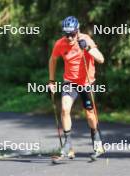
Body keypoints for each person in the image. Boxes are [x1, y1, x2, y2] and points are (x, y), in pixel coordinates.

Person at [48, 16, 105, 159]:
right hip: (70, 82)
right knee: (65, 109)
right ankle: (68, 145)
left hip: (87, 82)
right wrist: (52, 81)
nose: (69, 37)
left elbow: (101, 59)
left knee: (90, 114)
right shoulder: (60, 44)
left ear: (77, 31)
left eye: (72, 34)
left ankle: (97, 143)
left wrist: (88, 47)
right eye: (66, 34)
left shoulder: (86, 39)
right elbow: (53, 60)